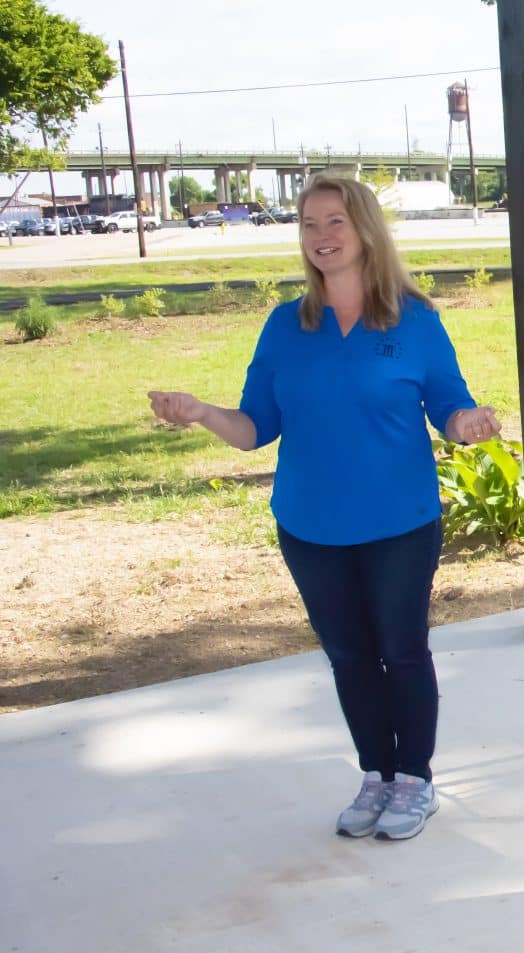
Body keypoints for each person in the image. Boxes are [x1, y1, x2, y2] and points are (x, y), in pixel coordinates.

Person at [147, 175, 500, 841]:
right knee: (348, 656)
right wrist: (200, 413)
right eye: (309, 224)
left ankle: (415, 780)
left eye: (334, 221)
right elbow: (256, 426)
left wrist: (468, 424)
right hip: (310, 527)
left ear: (365, 231)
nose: (321, 237)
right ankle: (376, 774)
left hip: (399, 524)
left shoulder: (414, 321)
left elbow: (448, 406)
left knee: (402, 650)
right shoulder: (286, 326)